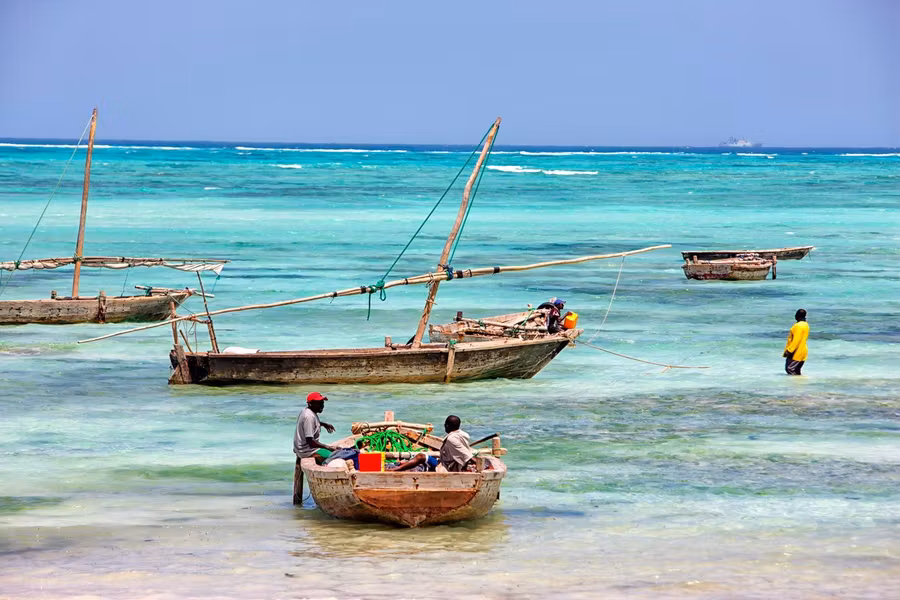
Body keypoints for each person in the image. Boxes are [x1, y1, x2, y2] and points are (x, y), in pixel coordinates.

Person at [293, 392, 336, 465]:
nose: (322, 406)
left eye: (322, 403)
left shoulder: (307, 411)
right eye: (319, 403)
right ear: (310, 404)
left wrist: (324, 424)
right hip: (306, 450)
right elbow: (310, 441)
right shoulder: (309, 417)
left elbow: (312, 423)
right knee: (336, 456)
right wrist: (328, 447)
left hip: (302, 448)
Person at [783, 309, 809, 375]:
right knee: (797, 371)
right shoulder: (806, 325)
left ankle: (793, 382)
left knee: (790, 369)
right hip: (803, 352)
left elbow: (796, 340)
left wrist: (789, 350)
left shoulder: (798, 326)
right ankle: (799, 381)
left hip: (796, 352)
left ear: (797, 316)